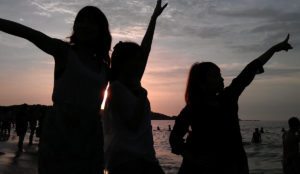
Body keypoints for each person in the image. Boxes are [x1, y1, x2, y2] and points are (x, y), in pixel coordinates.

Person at [1, 6, 111, 174]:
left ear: (101, 30)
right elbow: (28, 33)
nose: (85, 25)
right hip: (60, 132)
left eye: (91, 22)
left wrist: (153, 20)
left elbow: (138, 64)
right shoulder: (64, 51)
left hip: (90, 136)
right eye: (81, 20)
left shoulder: (104, 66)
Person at [169, 35, 292, 174]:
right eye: (215, 76)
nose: (221, 79)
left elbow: (249, 70)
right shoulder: (192, 109)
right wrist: (192, 157)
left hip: (235, 165)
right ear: (202, 83)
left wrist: (274, 49)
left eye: (220, 74)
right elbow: (174, 138)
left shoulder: (228, 98)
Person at [102, 1, 167, 174]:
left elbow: (146, 49)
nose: (140, 63)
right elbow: (132, 124)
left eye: (139, 60)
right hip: (127, 162)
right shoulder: (116, 88)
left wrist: (154, 19)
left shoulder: (132, 83)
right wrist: (141, 95)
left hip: (144, 157)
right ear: (123, 63)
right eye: (135, 60)